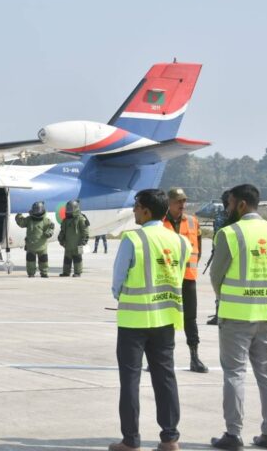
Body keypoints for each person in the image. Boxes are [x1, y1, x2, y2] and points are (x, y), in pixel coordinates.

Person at [109, 189, 191, 451]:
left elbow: (117, 283)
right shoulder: (180, 242)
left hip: (134, 320)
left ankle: (131, 440)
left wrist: (127, 295)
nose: (133, 210)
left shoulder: (133, 239)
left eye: (136, 206)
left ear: (145, 210)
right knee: (165, 378)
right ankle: (170, 438)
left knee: (130, 380)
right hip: (166, 319)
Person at [209, 184, 267, 451]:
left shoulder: (229, 234)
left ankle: (233, 434)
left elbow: (216, 276)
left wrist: (227, 298)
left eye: (230, 203)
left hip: (236, 315)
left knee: (234, 373)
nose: (228, 208)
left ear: (242, 204)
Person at [162, 187, 207, 373]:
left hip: (188, 279)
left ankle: (194, 357)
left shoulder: (193, 222)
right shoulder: (159, 222)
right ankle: (162, 358)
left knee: (190, 319)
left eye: (184, 201)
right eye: (178, 201)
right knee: (164, 320)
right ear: (169, 203)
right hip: (166, 278)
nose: (182, 205)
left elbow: (199, 249)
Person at [207, 190, 231, 325]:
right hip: (229, 254)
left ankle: (219, 313)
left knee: (218, 285)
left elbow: (217, 236)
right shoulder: (235, 217)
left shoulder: (220, 217)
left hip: (220, 254)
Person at [15, 201, 54, 278]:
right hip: (31, 245)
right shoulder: (29, 219)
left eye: (38, 210)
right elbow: (21, 223)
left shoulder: (46, 220)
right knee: (30, 261)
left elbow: (51, 227)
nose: (37, 212)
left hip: (42, 246)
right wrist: (18, 216)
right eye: (35, 210)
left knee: (43, 260)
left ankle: (44, 272)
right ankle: (31, 273)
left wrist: (49, 232)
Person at [58, 199, 90, 277]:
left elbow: (85, 230)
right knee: (67, 259)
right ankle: (66, 272)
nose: (69, 210)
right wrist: (61, 239)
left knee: (77, 258)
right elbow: (63, 230)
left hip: (77, 243)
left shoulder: (81, 219)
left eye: (70, 208)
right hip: (68, 244)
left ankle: (77, 272)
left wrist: (84, 240)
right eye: (68, 208)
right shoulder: (65, 220)